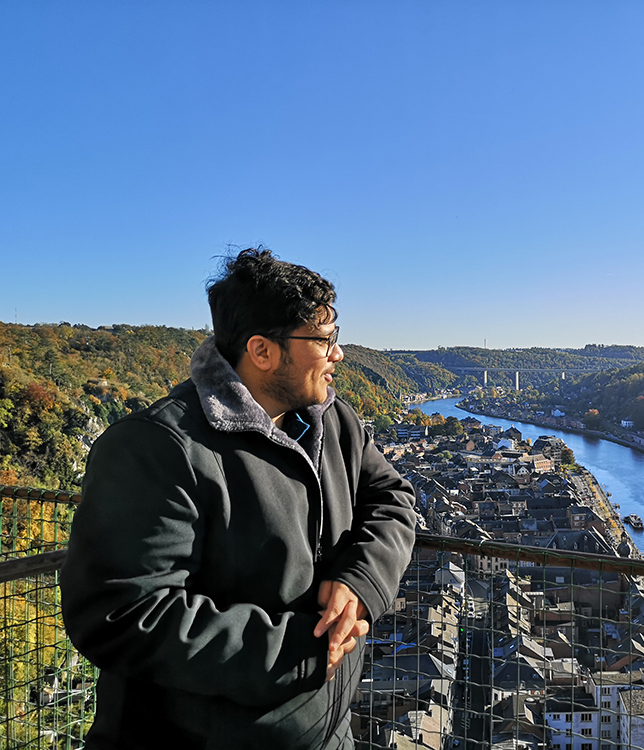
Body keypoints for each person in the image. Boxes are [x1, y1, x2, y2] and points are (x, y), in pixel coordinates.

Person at [60, 248, 417, 749]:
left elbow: (392, 498)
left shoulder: (334, 420)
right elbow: (121, 613)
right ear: (262, 351)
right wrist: (299, 651)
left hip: (326, 732)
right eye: (324, 339)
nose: (338, 353)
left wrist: (359, 581)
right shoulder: (158, 447)